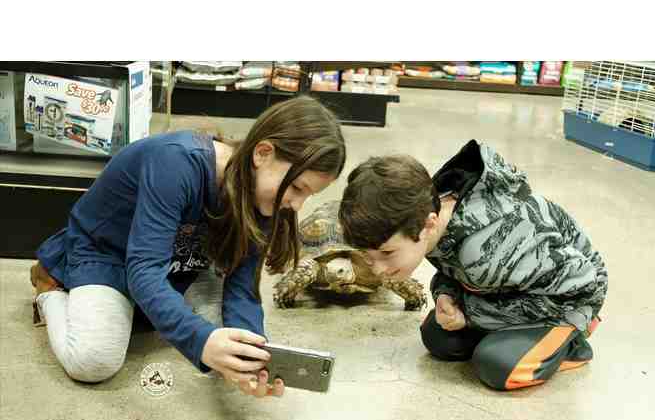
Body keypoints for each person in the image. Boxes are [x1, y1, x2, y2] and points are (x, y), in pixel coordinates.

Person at [30, 96, 346, 399]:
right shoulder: (176, 161)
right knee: (95, 359)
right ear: (262, 153)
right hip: (107, 254)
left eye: (309, 195)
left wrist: (250, 358)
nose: (297, 205)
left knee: (229, 339)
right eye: (297, 188)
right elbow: (144, 271)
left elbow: (242, 286)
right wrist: (202, 341)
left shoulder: (264, 197)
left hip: (179, 259)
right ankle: (51, 288)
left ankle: (143, 311)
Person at [338, 140, 608, 391]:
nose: (377, 269)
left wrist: (471, 315)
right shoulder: (430, 216)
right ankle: (510, 336)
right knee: (438, 338)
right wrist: (446, 294)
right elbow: (453, 268)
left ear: (429, 224)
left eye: (387, 253)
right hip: (511, 288)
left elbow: (583, 281)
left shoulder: (487, 249)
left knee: (497, 366)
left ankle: (571, 344)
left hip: (570, 300)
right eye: (367, 256)